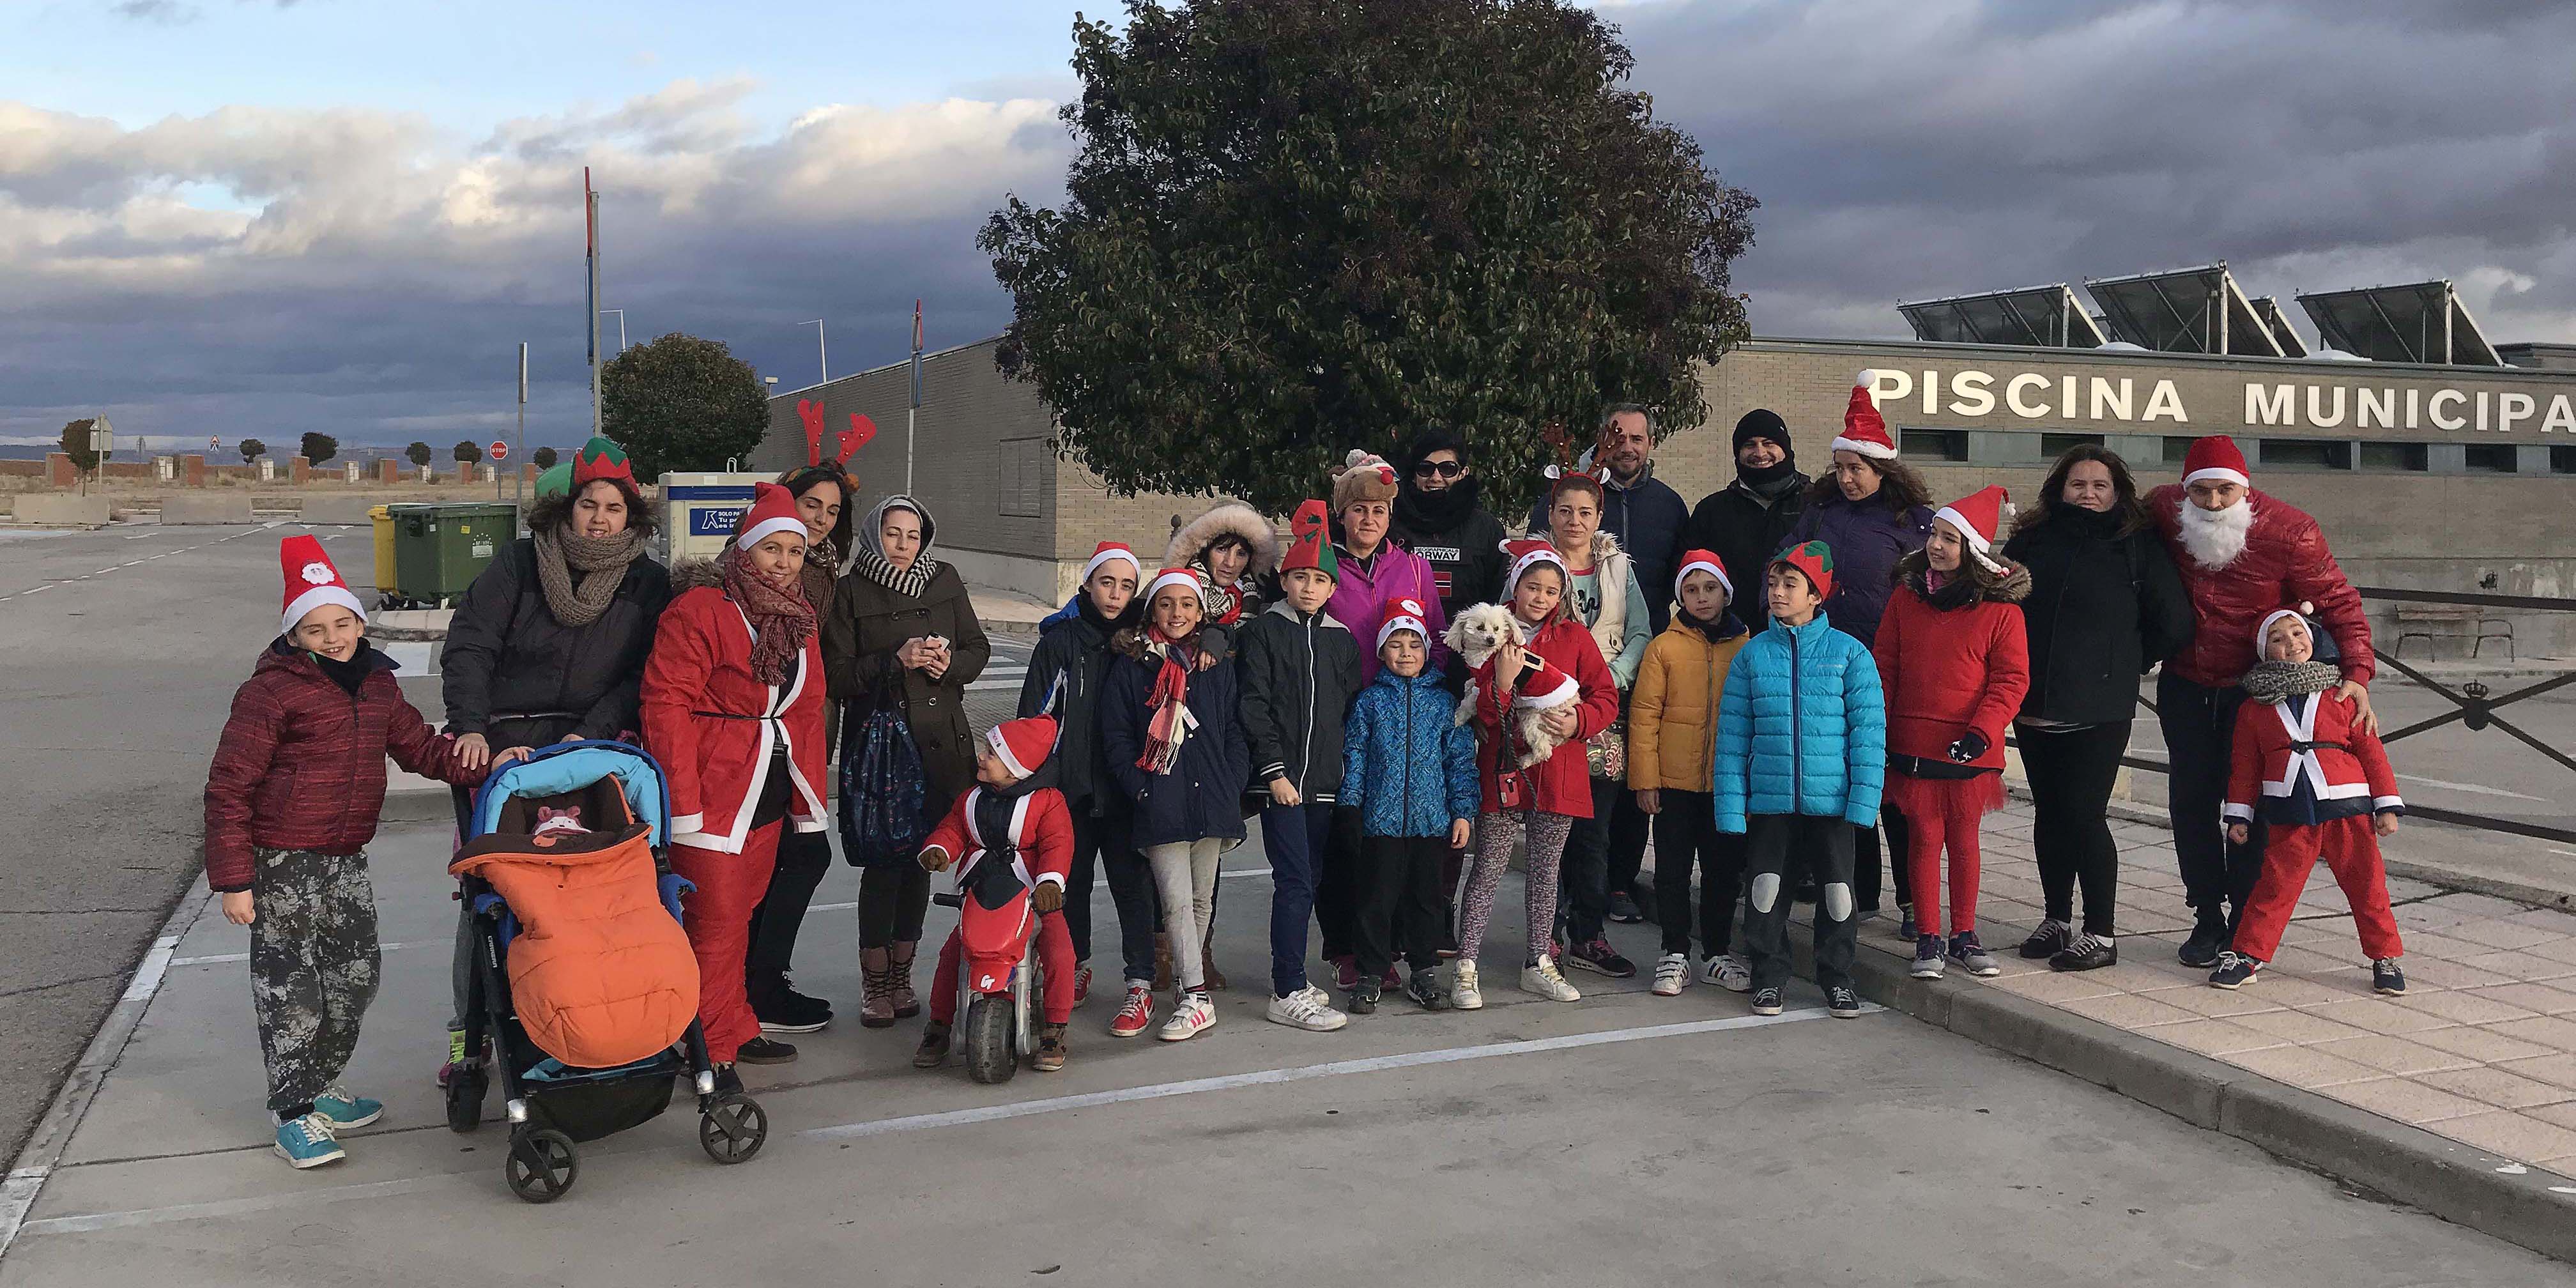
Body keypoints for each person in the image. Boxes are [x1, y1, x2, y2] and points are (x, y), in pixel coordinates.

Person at [206, 537, 514, 1168]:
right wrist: (235, 881)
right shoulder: (270, 695)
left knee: (354, 978)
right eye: (316, 629)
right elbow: (229, 787)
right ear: (294, 635)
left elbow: (422, 749)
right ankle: (292, 1112)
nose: (335, 637)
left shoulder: (377, 685)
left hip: (344, 857)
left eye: (343, 623)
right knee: (292, 992)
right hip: (282, 863)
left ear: (359, 621)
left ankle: (318, 1085)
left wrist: (485, 763)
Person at [435, 436, 669, 1085]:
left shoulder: (648, 584)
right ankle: (467, 1041)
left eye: (614, 508)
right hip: (506, 746)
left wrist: (590, 737)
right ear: (566, 510)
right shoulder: (519, 565)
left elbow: (639, 675)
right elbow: (472, 645)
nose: (599, 518)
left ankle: (601, 1018)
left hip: (589, 751)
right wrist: (471, 728)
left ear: (632, 517)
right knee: (487, 898)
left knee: (594, 893)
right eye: (588, 504)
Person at [2149, 435, 2375, 967]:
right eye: (2200, 493)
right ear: (2185, 492)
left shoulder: (2291, 530)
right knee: (2189, 802)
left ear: (2244, 489)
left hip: (2258, 692)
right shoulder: (2162, 509)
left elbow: (2340, 599)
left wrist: (2358, 671)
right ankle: (2206, 914)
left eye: (2224, 491)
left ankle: (2243, 921)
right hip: (2185, 683)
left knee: (2253, 804)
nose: (2212, 503)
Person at [641, 484, 830, 1079]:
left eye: (794, 552)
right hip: (715, 789)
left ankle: (735, 1022)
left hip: (766, 789)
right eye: (771, 550)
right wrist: (684, 801)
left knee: (742, 915)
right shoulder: (700, 609)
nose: (783, 563)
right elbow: (665, 702)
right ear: (745, 552)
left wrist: (810, 800)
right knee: (715, 923)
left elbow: (806, 707)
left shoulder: (800, 620)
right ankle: (710, 1048)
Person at [2001, 447, 2193, 972]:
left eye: (2100, 485)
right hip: (2035, 701)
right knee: (2050, 813)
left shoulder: (2135, 546)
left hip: (2099, 708)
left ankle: (2101, 933)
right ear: (2058, 488)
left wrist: (2127, 660)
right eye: (2077, 484)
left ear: (2117, 493)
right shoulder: (2030, 542)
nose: (2088, 493)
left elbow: (2174, 622)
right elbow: (2001, 607)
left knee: (2084, 816)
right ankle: (2056, 918)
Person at [824, 494, 992, 1025]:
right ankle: (874, 983)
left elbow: (978, 649)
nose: (903, 545)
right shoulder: (850, 591)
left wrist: (949, 665)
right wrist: (893, 663)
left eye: (913, 535)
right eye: (893, 534)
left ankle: (902, 975)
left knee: (924, 858)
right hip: (879, 747)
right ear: (876, 535)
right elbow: (836, 674)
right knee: (882, 864)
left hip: (939, 741)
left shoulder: (944, 579)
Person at [1778, 373, 1932, 928]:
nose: (1846, 479)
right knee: (1844, 785)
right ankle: (1859, 893)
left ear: (1881, 468)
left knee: (1892, 790)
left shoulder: (1912, 523)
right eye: (1840, 469)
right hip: (1824, 669)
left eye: (1857, 469)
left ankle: (1915, 901)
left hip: (1887, 671)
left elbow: (1932, 589)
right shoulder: (1819, 514)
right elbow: (1786, 569)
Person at [1713, 541, 1882, 1021]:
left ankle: (1838, 979)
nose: (1778, 593)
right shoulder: (1752, 656)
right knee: (1765, 893)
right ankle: (1769, 978)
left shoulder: (1850, 655)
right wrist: (1731, 804)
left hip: (1831, 804)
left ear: (1816, 595)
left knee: (1838, 894)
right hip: (1770, 803)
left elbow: (1868, 735)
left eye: (1791, 585)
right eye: (1773, 584)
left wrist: (1863, 802)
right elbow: (1732, 735)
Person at [1452, 539, 1619, 1009]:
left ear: (1561, 594)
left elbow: (1605, 696)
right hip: (1502, 769)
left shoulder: (1574, 638)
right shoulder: (1489, 634)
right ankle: (1466, 965)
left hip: (1557, 769)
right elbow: (1484, 713)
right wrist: (1502, 685)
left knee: (1546, 874)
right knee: (1487, 868)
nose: (1541, 597)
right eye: (1532, 587)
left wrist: (1578, 721)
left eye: (1550, 589)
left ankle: (1538, 961)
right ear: (1516, 586)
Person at [1873, 487, 2031, 981]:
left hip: (1968, 744)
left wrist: (1983, 732)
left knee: (1964, 840)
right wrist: (1878, 727)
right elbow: (1886, 666)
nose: (1936, 546)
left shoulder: (2001, 612)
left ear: (1974, 552)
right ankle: (1928, 936)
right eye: (1935, 535)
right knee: (1923, 837)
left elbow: (2011, 680)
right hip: (1912, 742)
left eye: (1950, 539)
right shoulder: (1907, 597)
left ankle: (1964, 933)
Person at [2211, 611, 2406, 995]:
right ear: (2264, 651)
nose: (2291, 644)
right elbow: (2246, 768)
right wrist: (2239, 814)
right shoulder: (2253, 708)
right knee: (2274, 887)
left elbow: (2371, 751)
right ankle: (2249, 955)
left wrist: (2385, 805)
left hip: (2347, 808)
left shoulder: (2343, 696)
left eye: (2298, 633)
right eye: (2278, 639)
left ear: (2313, 641)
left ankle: (2385, 958)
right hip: (2290, 811)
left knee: (2368, 887)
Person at [1101, 568, 1252, 1042]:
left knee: (1202, 899)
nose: (1177, 614)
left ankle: (1190, 988)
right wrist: (1142, 788)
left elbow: (1232, 730)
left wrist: (1232, 781)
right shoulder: (1133, 665)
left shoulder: (1216, 664)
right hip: (1160, 798)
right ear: (1152, 611)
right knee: (1175, 903)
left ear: (1201, 612)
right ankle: (1198, 997)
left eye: (1187, 605)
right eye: (1166, 604)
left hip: (1211, 798)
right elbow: (1117, 737)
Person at [1322, 449, 1448, 987]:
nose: (1368, 519)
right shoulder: (1325, 566)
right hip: (1345, 716)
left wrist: (1431, 695)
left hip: (1407, 718)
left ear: (1390, 516)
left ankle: (1396, 951)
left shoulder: (1414, 568)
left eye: (1378, 510)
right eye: (1358, 510)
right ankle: (1347, 950)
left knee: (1396, 851)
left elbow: (1438, 641)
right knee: (1346, 841)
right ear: (1342, 515)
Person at [1018, 542, 1157, 1029]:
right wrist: (1037, 787)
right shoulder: (1060, 643)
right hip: (1069, 792)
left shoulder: (1143, 643)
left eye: (1126, 586)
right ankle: (1073, 967)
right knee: (1069, 885)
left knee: (1132, 887)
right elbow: (1032, 721)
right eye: (1106, 582)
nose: (1115, 594)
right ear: (1087, 584)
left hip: (1124, 791)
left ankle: (1141, 983)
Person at [1238, 502, 1365, 1032]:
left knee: (1311, 880)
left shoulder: (1342, 640)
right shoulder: (1266, 632)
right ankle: (1286, 988)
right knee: (1293, 882)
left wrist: (1343, 777)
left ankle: (1295, 975)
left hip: (1326, 785)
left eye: (1319, 580)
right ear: (1284, 581)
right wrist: (1274, 772)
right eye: (1300, 578)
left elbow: (1349, 710)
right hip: (1282, 784)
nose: (1310, 587)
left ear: (1333, 588)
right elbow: (1254, 704)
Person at [743, 461, 853, 1035]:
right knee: (787, 859)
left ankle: (758, 982)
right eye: (812, 505)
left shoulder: (822, 571)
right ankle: (755, 987)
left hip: (800, 744)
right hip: (756, 749)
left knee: (794, 857)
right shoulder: (768, 569)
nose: (821, 521)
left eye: (833, 511)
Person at [913, 716, 1080, 1073]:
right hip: (983, 897)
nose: (981, 757)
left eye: (992, 753)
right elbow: (954, 829)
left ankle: (1054, 1026)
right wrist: (940, 849)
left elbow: (1058, 844)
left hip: (1034, 897)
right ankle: (939, 1025)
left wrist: (1050, 883)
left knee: (1060, 951)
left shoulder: (1048, 802)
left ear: (1016, 767)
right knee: (952, 955)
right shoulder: (971, 799)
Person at [1340, 597, 1479, 1015]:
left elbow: (1459, 761)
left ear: (1426, 651)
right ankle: (1371, 971)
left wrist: (1462, 811)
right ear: (1382, 651)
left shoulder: (1442, 703)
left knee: (1426, 898)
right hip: (1380, 822)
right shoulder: (1369, 702)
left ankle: (1422, 969)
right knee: (1376, 898)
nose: (1406, 653)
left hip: (1431, 821)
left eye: (1414, 645)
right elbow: (1356, 757)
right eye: (1396, 645)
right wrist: (1351, 807)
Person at [1539, 471, 1652, 975]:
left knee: (1593, 832)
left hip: (1601, 711)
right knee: (1549, 830)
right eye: (1566, 511)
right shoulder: (1532, 563)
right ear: (1551, 514)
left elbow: (1640, 632)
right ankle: (1547, 933)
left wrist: (1607, 677)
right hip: (1545, 710)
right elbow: (1512, 625)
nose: (1575, 521)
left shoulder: (1617, 567)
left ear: (1599, 517)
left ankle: (1589, 932)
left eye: (1586, 512)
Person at [1627, 550, 1752, 995]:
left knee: (1722, 872)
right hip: (1674, 784)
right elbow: (1644, 716)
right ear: (1680, 595)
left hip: (1726, 786)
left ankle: (1716, 953)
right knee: (1672, 871)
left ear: (1726, 592)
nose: (1701, 598)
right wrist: (1646, 778)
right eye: (1692, 590)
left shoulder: (1747, 647)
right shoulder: (1665, 647)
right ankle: (1674, 951)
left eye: (1710, 588)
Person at [1525, 405, 1689, 634]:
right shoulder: (1562, 501)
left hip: (1648, 639)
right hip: (1564, 640)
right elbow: (1531, 568)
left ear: (1651, 442)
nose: (1628, 448)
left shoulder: (1670, 505)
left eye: (1637, 439)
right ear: (1602, 439)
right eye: (1619, 439)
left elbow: (1680, 579)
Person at [1683, 410, 1808, 634]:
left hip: (1803, 639)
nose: (1760, 452)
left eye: (1769, 443)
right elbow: (1691, 576)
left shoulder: (1815, 504)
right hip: (1729, 639)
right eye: (1750, 445)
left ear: (1785, 449)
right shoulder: (1712, 511)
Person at [1391, 427, 1508, 622]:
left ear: (1463, 473)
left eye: (1447, 469)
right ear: (1414, 474)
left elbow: (1501, 597)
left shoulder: (1486, 528)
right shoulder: (1390, 521)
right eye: (1426, 468)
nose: (1436, 477)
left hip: (1470, 644)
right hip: (1402, 644)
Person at [1167, 500, 1279, 627]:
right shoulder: (1173, 588)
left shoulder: (1269, 595)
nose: (1230, 563)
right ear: (1205, 550)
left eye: (1241, 554)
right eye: (1222, 549)